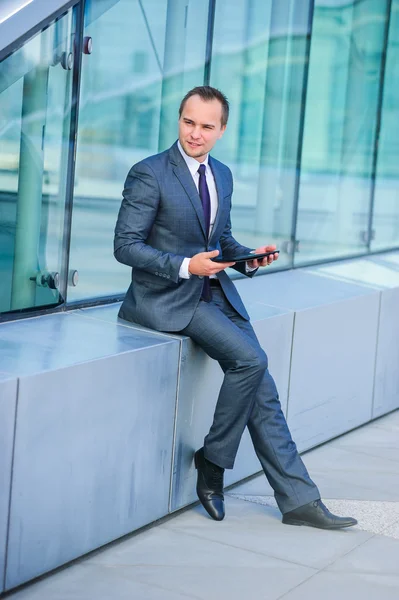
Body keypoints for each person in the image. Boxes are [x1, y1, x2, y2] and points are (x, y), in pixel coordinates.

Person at [114, 86, 357, 529]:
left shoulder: (221, 175)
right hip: (167, 299)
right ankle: (212, 463)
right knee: (251, 360)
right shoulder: (149, 173)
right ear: (179, 120)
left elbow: (220, 240)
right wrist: (187, 265)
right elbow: (125, 247)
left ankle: (299, 500)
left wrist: (248, 257)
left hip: (216, 293)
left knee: (263, 389)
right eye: (189, 122)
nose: (196, 134)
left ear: (221, 130)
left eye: (207, 126)